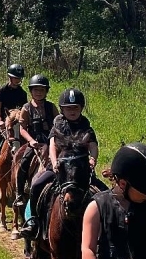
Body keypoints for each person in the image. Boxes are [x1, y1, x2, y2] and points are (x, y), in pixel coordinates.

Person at [18, 87, 98, 239]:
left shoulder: (85, 125)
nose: (72, 111)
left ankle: (106, 230)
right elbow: (52, 145)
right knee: (36, 185)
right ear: (62, 109)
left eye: (75, 108)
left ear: (81, 108)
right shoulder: (58, 124)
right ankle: (33, 222)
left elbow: (93, 145)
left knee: (103, 192)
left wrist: (92, 159)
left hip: (80, 170)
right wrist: (54, 162)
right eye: (68, 108)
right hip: (59, 168)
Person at [13, 74, 58, 226]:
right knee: (24, 161)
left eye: (42, 90)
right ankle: (19, 194)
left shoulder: (51, 107)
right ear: (31, 91)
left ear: (46, 91)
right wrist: (31, 141)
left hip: (50, 142)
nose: (39, 93)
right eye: (36, 90)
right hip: (34, 142)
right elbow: (22, 129)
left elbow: (57, 125)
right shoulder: (26, 108)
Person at [0, 63, 29, 167]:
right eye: (15, 78)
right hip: (3, 120)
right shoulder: (2, 91)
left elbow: (23, 110)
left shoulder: (22, 93)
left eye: (19, 78)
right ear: (10, 77)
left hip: (16, 121)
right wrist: (0, 121)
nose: (17, 80)